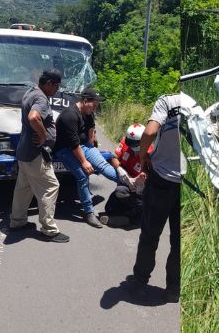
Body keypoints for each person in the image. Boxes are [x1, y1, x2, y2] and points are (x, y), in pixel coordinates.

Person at [132, 94, 183, 303]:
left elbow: (150, 131)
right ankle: (173, 289)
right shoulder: (197, 103)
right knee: (179, 242)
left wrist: (143, 155)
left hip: (162, 177)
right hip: (187, 182)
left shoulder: (167, 101)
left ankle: (139, 283)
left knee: (150, 235)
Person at [9, 69, 69, 243]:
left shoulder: (30, 92)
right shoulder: (41, 98)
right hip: (35, 153)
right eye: (56, 86)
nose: (57, 90)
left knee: (24, 188)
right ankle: (49, 230)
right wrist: (43, 136)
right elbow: (34, 117)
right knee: (51, 186)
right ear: (49, 83)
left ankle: (17, 221)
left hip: (24, 152)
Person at [53, 87, 121, 228]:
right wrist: (84, 161)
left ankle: (130, 183)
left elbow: (90, 133)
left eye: (97, 105)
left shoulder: (89, 113)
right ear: (84, 101)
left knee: (103, 165)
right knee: (83, 176)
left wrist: (93, 151)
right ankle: (88, 212)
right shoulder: (69, 115)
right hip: (65, 149)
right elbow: (73, 144)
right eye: (94, 104)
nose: (95, 108)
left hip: (82, 145)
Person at [100, 123, 151, 228]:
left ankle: (138, 217)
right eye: (130, 143)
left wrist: (143, 181)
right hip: (127, 183)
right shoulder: (125, 143)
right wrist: (119, 169)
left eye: (135, 144)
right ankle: (127, 214)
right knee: (109, 209)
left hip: (141, 190)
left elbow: (152, 174)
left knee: (122, 191)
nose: (132, 146)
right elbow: (113, 157)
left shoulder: (151, 153)